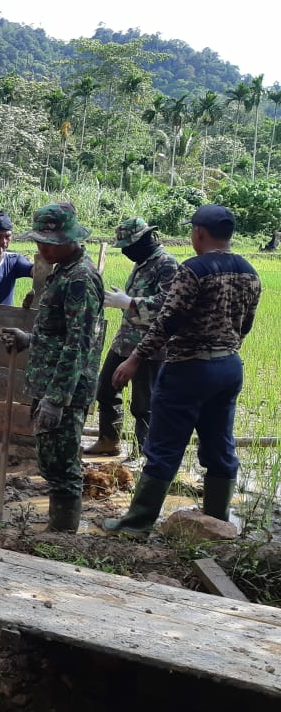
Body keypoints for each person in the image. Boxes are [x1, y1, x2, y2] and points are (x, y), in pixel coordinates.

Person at [104, 205, 261, 537]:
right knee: (220, 444)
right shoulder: (249, 271)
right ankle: (217, 519)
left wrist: (134, 359)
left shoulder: (193, 270)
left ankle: (136, 524)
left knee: (164, 446)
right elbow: (245, 324)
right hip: (229, 366)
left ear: (200, 233)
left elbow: (168, 322)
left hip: (189, 368)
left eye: (192, 231)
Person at [1, 203, 104, 533]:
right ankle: (60, 529)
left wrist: (57, 398)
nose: (41, 248)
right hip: (49, 382)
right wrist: (30, 339)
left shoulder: (80, 279)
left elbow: (79, 343)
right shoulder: (62, 270)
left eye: (49, 241)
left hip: (65, 390)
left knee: (61, 464)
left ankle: (62, 535)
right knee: (50, 458)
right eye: (39, 240)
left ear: (69, 239)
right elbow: (59, 332)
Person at [83, 218, 179, 457]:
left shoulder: (166, 264)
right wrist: (122, 301)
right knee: (105, 388)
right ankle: (108, 440)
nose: (125, 251)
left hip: (151, 346)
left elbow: (168, 305)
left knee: (144, 404)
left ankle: (142, 453)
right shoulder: (142, 262)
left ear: (145, 240)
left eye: (128, 246)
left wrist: (130, 303)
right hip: (125, 340)